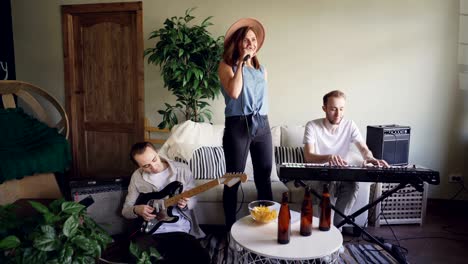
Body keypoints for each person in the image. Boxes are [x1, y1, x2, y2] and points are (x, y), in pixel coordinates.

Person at [303, 90, 389, 226]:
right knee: (328, 186)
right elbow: (308, 157)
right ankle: (325, 229)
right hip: (320, 175)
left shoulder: (350, 125)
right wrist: (329, 157)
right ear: (324, 108)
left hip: (341, 174)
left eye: (341, 109)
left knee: (352, 185)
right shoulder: (312, 126)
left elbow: (363, 149)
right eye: (333, 109)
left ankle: (337, 230)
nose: (338, 114)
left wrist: (371, 158)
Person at [218, 18, 273, 231]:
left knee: (264, 177)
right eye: (246, 40)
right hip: (237, 125)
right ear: (237, 43)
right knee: (232, 179)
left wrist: (248, 62)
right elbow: (234, 92)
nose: (251, 43)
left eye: (253, 39)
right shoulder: (226, 65)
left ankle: (265, 226)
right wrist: (241, 62)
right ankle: (230, 229)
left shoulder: (262, 69)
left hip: (262, 124)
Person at [121, 142, 210, 264]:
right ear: (139, 167)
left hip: (179, 228)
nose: (154, 167)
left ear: (157, 152)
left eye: (154, 159)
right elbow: (126, 210)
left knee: (202, 259)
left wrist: (186, 203)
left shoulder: (182, 169)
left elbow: (193, 200)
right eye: (146, 166)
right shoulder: (137, 177)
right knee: (136, 258)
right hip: (150, 230)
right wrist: (137, 209)